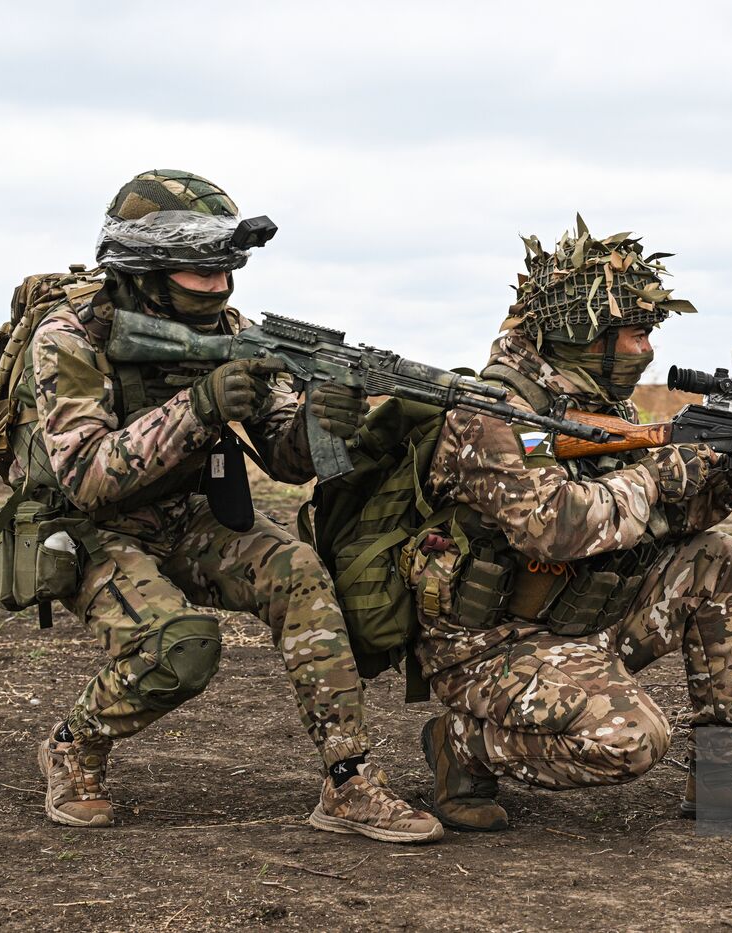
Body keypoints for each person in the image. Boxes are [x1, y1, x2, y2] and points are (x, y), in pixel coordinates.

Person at [29, 170, 441, 843]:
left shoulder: (233, 330)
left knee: (300, 570)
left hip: (187, 515)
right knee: (182, 647)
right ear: (145, 269)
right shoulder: (70, 336)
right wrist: (200, 407)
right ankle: (73, 745)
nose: (220, 285)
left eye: (227, 268)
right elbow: (88, 476)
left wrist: (322, 421)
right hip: (91, 529)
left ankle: (349, 780)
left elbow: (284, 455)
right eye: (200, 271)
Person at [408, 217, 732, 830]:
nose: (647, 350)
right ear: (580, 330)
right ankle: (461, 745)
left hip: (579, 618)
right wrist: (660, 475)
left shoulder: (599, 408)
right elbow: (554, 529)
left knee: (716, 556)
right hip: (489, 644)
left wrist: (721, 480)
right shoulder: (495, 415)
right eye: (634, 334)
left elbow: (656, 520)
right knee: (632, 740)